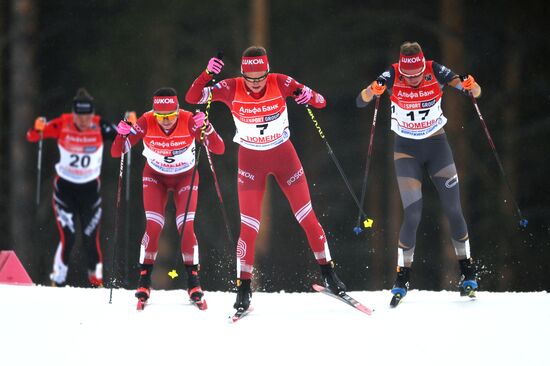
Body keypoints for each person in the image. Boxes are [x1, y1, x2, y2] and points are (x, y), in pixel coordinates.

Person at [186, 46, 347, 312]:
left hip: (285, 158)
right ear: (242, 74)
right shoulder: (229, 87)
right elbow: (193, 97)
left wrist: (308, 95)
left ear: (268, 70)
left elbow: (321, 102)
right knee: (249, 227)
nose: (257, 82)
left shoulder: (281, 82)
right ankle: (243, 289)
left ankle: (329, 274)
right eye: (251, 77)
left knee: (307, 217)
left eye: (261, 75)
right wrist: (205, 74)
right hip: (250, 162)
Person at [356, 41, 481, 306]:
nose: (412, 80)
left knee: (453, 209)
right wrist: (372, 90)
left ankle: (468, 273)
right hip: (406, 151)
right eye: (407, 75)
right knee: (413, 212)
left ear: (422, 66)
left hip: (437, 147)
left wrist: (471, 85)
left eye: (416, 75)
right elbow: (361, 100)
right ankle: (402, 278)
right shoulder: (391, 74)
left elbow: (473, 91)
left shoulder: (435, 70)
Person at [111, 87, 224, 306]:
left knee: (186, 226)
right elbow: (118, 151)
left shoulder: (189, 120)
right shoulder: (145, 121)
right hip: (155, 178)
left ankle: (193, 281)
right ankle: (144, 280)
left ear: (178, 111)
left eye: (170, 116)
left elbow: (219, 149)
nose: (166, 121)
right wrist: (122, 133)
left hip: (185, 177)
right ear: (154, 113)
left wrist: (207, 129)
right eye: (160, 117)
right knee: (153, 226)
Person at [26, 88, 117, 287]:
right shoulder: (62, 123)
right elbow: (32, 136)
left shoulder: (100, 125)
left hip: (90, 192)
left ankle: (97, 280)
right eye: (80, 116)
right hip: (65, 191)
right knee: (68, 237)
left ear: (93, 115)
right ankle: (57, 280)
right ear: (73, 114)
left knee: (91, 238)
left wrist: (129, 125)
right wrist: (38, 127)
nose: (84, 121)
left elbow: (123, 136)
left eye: (88, 116)